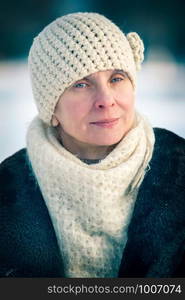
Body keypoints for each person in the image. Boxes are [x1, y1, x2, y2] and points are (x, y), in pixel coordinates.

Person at [0, 12, 184, 278]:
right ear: (51, 108)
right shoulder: (8, 191)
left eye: (117, 78)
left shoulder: (178, 169)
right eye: (82, 84)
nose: (105, 100)